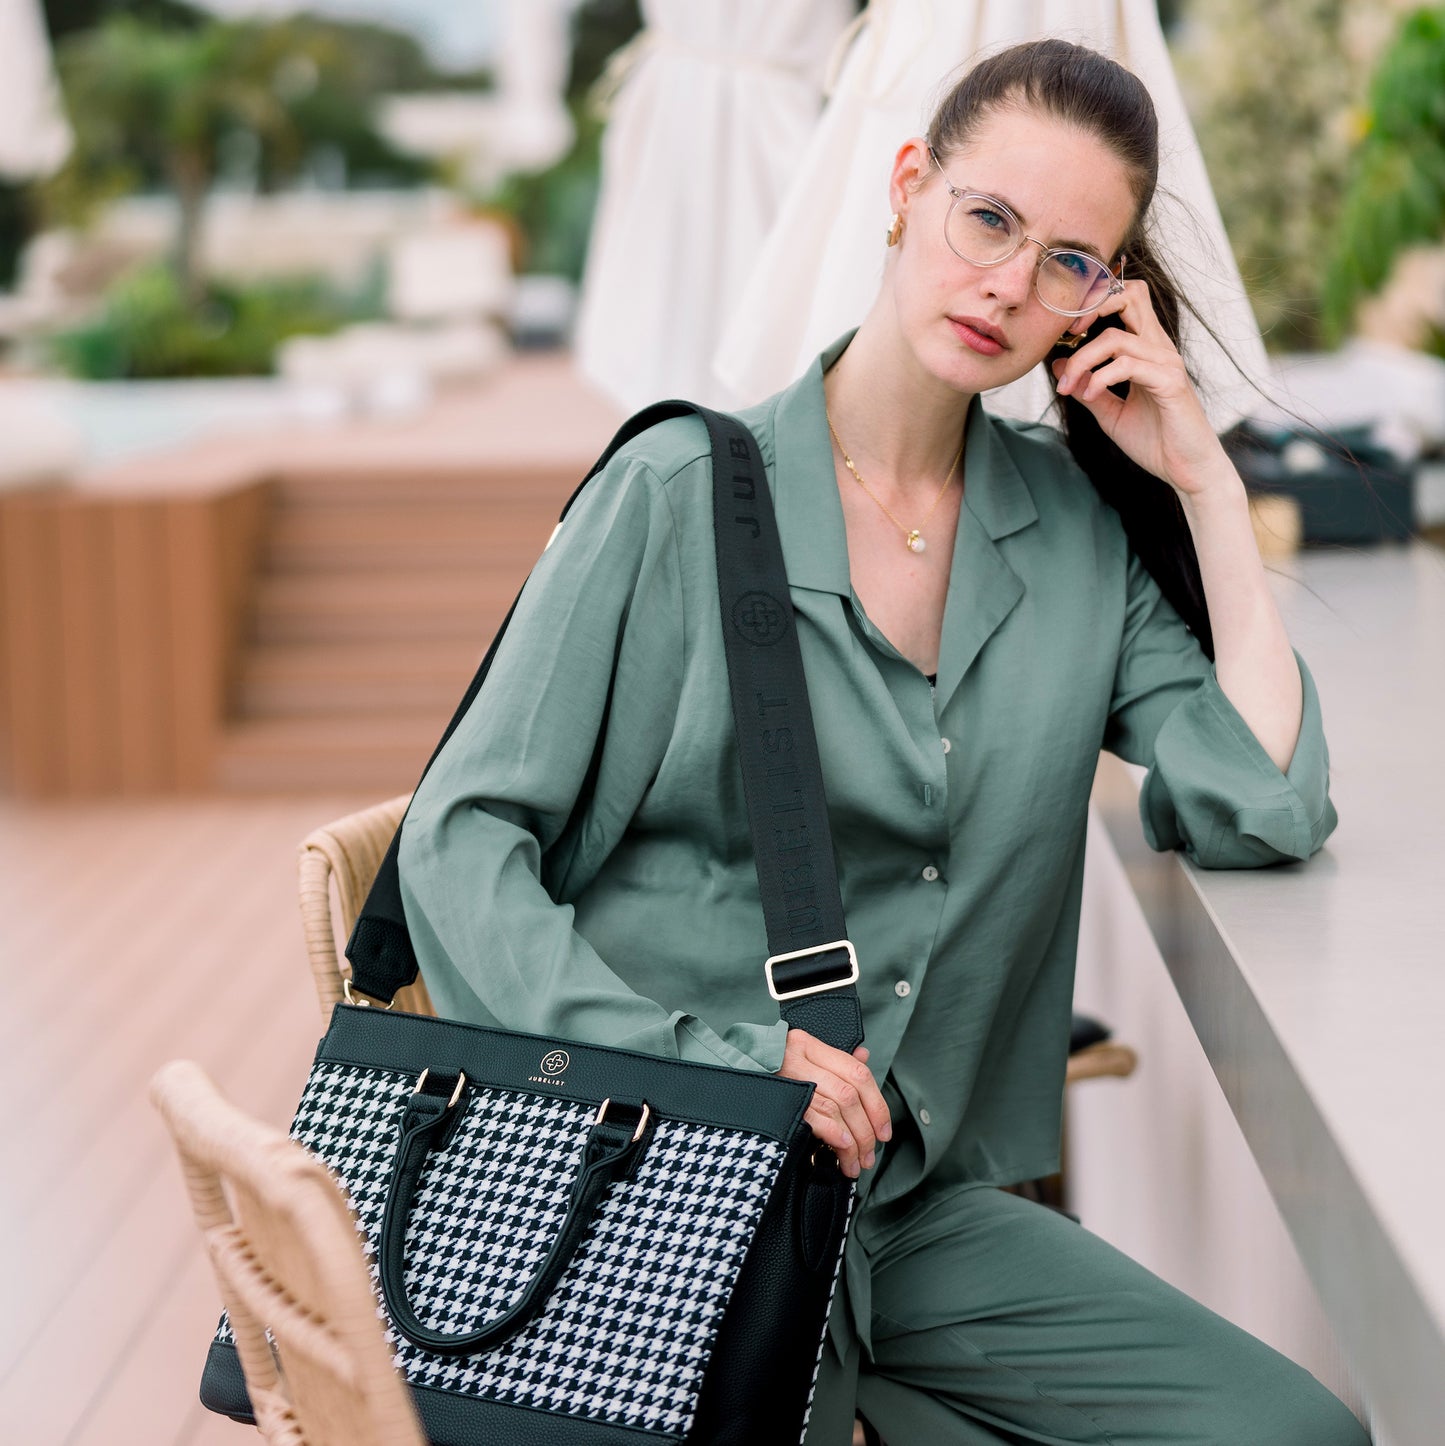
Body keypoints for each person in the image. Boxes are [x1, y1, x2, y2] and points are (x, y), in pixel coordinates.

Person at [398, 38, 1367, 1446]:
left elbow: (1263, 799)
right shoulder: (673, 492)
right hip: (656, 1174)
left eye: (1067, 263)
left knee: (1293, 1433)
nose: (1008, 285)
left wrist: (1204, 480)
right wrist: (709, 1060)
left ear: (1104, 302)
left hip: (905, 1219)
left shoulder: (1076, 538)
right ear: (907, 188)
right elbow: (462, 839)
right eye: (987, 220)